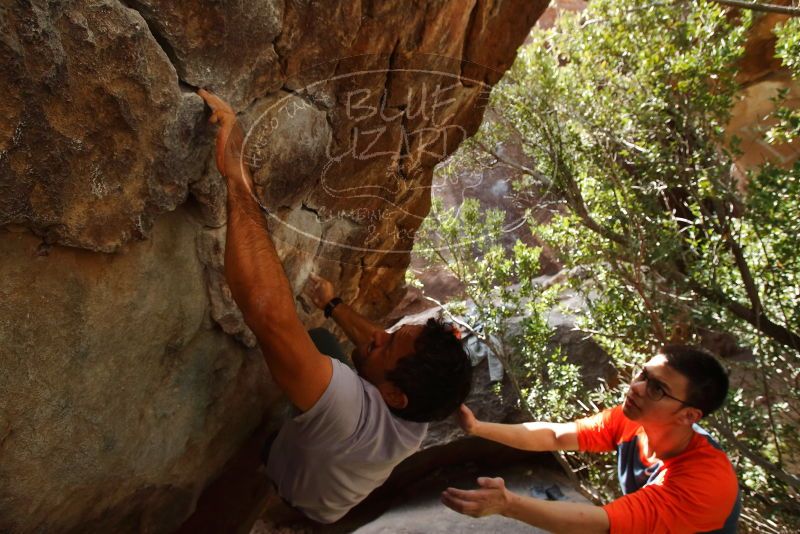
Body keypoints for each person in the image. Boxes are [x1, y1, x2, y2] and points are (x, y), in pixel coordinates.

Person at [197, 89, 472, 524]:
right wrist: (333, 304)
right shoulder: (419, 409)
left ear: (393, 396)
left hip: (304, 502)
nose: (378, 334)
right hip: (334, 466)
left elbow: (270, 317)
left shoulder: (347, 408)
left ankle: (265, 482)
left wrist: (236, 179)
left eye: (387, 346)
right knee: (324, 339)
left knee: (231, 500)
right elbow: (376, 344)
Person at [441, 345, 741, 533]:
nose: (636, 388)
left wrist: (507, 504)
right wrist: (477, 428)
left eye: (657, 389)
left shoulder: (704, 482)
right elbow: (556, 436)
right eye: (642, 375)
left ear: (688, 416)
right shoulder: (632, 420)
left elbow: (600, 524)